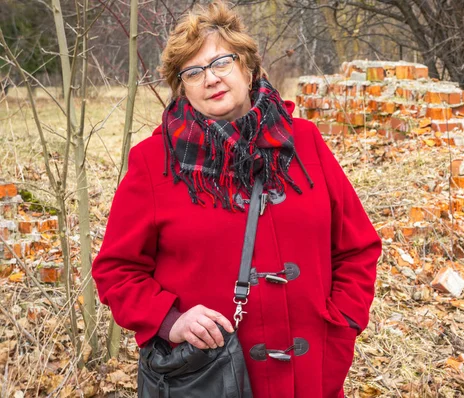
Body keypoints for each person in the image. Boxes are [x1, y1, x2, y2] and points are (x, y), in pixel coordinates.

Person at [91, 2, 381, 397]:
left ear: (247, 67)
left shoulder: (306, 142)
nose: (210, 78)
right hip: (211, 379)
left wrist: (343, 324)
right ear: (182, 88)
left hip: (313, 375)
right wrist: (168, 319)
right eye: (192, 72)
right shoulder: (155, 163)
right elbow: (116, 270)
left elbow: (358, 247)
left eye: (221, 62)